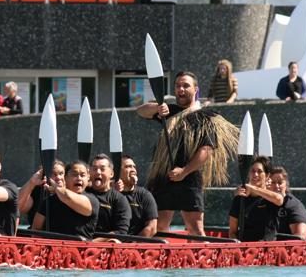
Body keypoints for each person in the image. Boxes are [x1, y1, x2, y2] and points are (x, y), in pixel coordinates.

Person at [137, 71, 238, 236]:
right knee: (159, 227)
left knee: (195, 229)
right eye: (178, 86)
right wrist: (157, 107)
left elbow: (206, 150)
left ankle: (200, 261)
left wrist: (184, 171)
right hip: (164, 176)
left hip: (190, 178)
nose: (181, 89)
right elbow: (141, 111)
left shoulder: (205, 117)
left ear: (195, 89)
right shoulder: (169, 110)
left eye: (185, 85)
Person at [32, 161, 100, 241]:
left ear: (88, 178)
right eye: (74, 174)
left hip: (81, 251)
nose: (79, 178)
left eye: (83, 175)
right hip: (53, 251)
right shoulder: (49, 201)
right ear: (65, 177)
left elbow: (68, 198)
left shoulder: (92, 200)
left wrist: (56, 188)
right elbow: (36, 229)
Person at [228, 156, 284, 241]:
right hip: (245, 250)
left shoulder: (271, 196)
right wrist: (238, 246)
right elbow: (232, 232)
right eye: (252, 171)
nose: (255, 174)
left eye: (259, 171)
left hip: (267, 250)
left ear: (267, 176)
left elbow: (279, 200)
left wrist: (253, 188)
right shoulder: (239, 199)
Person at [86, 154, 131, 238]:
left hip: (105, 247)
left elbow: (121, 231)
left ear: (111, 174)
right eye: (94, 169)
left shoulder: (119, 199)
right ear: (89, 172)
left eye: (102, 169)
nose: (98, 172)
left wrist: (95, 242)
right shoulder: (82, 192)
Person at [117, 155, 158, 237]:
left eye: (134, 167)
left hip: (135, 246)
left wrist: (133, 245)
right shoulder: (109, 193)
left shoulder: (145, 195)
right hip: (110, 243)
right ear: (116, 172)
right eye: (128, 167)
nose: (133, 170)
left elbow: (152, 227)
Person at [18, 160, 65, 226]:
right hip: (39, 234)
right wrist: (31, 183)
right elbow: (18, 207)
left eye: (61, 173)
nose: (58, 177)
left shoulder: (71, 192)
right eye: (53, 174)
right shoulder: (37, 192)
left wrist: (58, 191)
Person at [268, 166, 306, 239]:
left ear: (286, 185)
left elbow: (301, 236)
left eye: (280, 183)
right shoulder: (262, 202)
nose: (276, 186)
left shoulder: (294, 205)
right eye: (273, 182)